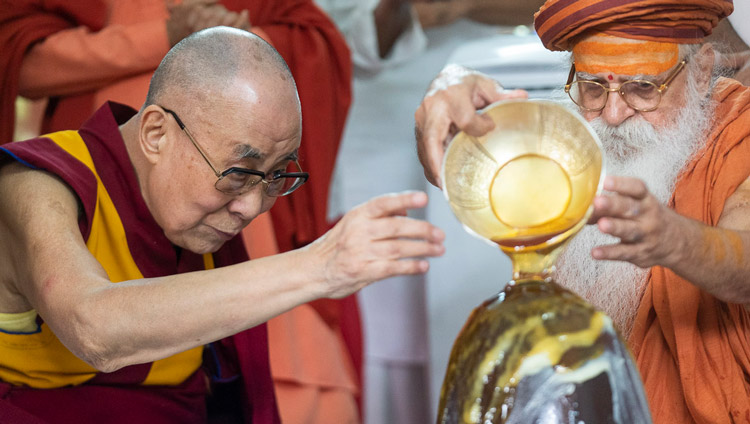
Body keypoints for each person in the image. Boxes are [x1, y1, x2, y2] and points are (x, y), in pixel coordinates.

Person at [0, 27, 445, 424]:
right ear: (156, 133)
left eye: (276, 177)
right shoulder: (36, 185)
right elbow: (93, 329)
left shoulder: (195, 219)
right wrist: (320, 267)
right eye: (237, 173)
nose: (250, 208)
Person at [415, 0, 750, 422]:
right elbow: (457, 159)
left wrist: (673, 240)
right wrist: (444, 98)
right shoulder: (574, 140)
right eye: (593, 86)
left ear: (701, 70)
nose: (612, 114)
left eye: (643, 88)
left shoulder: (740, 132)